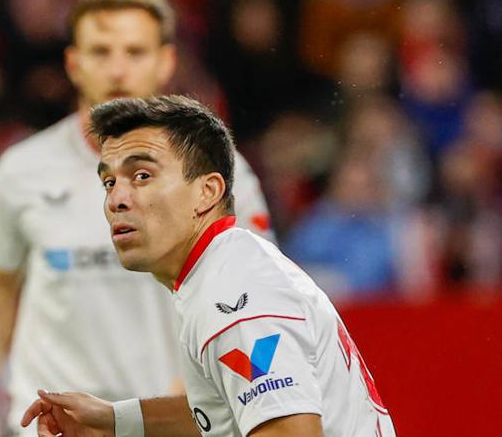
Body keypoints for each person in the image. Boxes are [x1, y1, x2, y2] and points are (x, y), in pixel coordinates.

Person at [0, 0, 274, 437]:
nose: (118, 69)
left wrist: (189, 394)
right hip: (53, 425)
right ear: (73, 64)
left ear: (166, 62)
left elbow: (250, 297)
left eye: (135, 52)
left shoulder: (220, 173)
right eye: (101, 52)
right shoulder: (21, 171)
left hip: (167, 422)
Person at [21, 95, 393, 437]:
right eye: (108, 181)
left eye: (142, 176)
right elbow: (225, 409)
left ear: (207, 192)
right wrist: (115, 421)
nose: (116, 198)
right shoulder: (222, 271)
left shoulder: (233, 296)